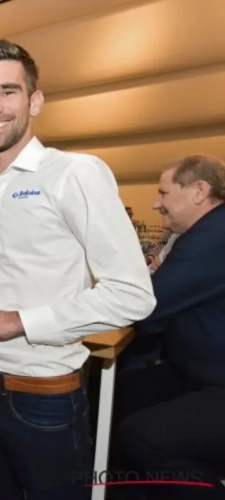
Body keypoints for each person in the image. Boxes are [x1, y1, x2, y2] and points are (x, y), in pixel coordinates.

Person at [0, 40, 156, 499]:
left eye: (8, 91)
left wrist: (17, 321)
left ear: (36, 100)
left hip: (42, 397)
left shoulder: (75, 173)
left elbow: (133, 293)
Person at [115, 155, 225, 499]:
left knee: (141, 435)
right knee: (124, 390)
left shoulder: (212, 237)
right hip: (199, 373)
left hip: (216, 384)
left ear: (199, 192)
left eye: (163, 193)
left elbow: (149, 308)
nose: (155, 203)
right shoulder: (208, 231)